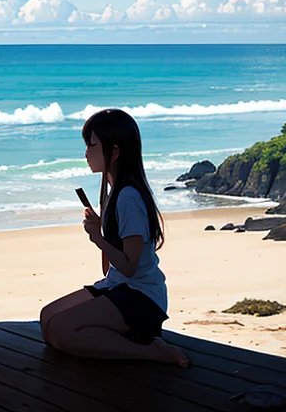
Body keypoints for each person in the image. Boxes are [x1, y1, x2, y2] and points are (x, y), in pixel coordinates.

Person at [40, 108, 189, 364]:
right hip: (118, 286)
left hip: (142, 297)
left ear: (115, 151)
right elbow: (110, 268)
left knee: (62, 330)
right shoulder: (114, 192)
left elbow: (130, 267)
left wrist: (98, 237)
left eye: (92, 145)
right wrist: (102, 232)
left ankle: (150, 351)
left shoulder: (128, 197)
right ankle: (126, 337)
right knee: (47, 319)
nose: (86, 152)